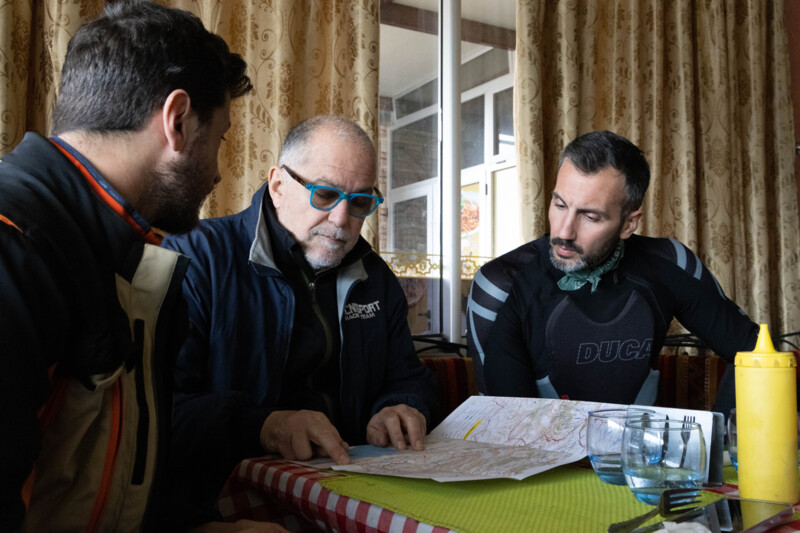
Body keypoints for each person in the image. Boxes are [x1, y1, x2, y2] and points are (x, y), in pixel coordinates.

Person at [0, 2, 286, 532]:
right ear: (177, 121)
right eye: (220, 138)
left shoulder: (127, 254)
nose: (219, 173)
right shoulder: (15, 246)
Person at [161, 114, 440, 520]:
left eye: (360, 202)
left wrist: (400, 406)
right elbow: (158, 413)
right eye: (324, 195)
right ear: (278, 185)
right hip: (223, 499)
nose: (342, 220)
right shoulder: (196, 258)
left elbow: (409, 377)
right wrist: (263, 425)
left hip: (354, 492)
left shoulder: (375, 278)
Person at [466, 130, 758, 413]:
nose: (564, 232)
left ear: (629, 224)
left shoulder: (672, 262)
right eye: (560, 205)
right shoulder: (499, 284)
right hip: (537, 445)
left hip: (641, 445)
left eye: (590, 217)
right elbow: (503, 417)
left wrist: (726, 433)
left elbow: (755, 353)